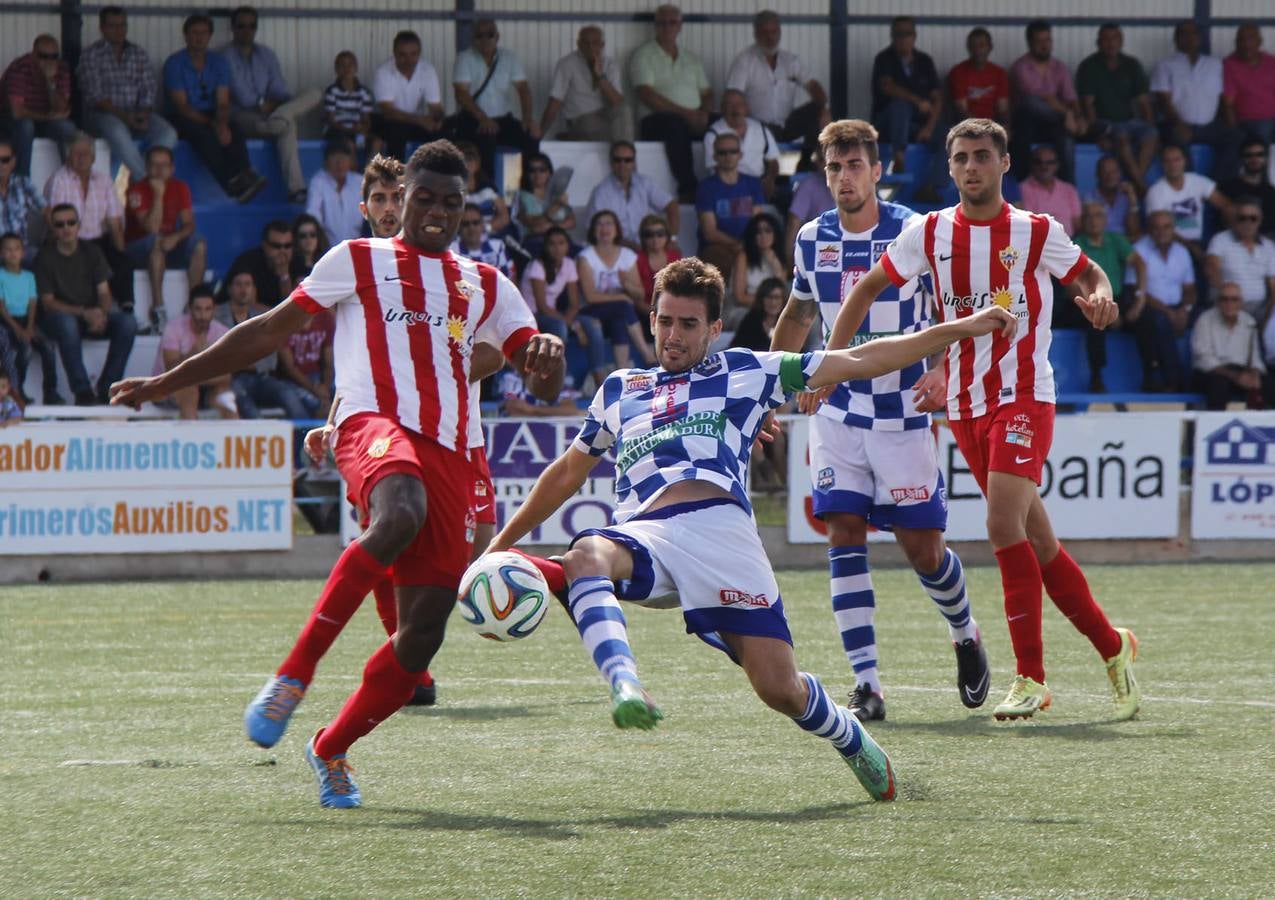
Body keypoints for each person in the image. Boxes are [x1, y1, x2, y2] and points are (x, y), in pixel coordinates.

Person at [110, 140, 566, 809]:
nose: (436, 211)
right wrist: (166, 383)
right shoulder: (357, 260)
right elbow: (265, 331)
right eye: (425, 197)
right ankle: (293, 675)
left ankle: (330, 747)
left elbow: (538, 372)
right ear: (402, 197)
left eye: (450, 201)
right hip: (369, 423)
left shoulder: (486, 284)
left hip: (447, 449)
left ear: (463, 208)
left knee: (421, 639)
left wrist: (547, 356)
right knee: (399, 512)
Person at [488, 257, 1017, 800]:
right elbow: (567, 474)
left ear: (714, 329)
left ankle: (849, 736)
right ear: (651, 318)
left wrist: (960, 328)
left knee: (779, 689)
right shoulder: (619, 389)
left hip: (721, 537)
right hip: (643, 532)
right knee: (584, 556)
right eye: (665, 320)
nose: (673, 336)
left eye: (689, 324)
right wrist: (498, 546)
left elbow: (857, 358)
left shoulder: (746, 371)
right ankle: (625, 684)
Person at [833, 118, 1140, 722]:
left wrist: (1101, 297)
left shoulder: (1035, 231)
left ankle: (1031, 677)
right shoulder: (930, 233)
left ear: (1004, 163)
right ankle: (1114, 647)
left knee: (1001, 525)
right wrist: (830, 364)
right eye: (961, 158)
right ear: (949, 168)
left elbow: (1089, 274)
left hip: (1026, 396)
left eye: (982, 156)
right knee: (1041, 544)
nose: (971, 167)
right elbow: (866, 290)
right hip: (966, 405)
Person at [772, 118, 990, 721]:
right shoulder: (812, 238)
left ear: (878, 170)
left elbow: (958, 308)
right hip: (838, 412)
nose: (845, 178)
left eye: (855, 166)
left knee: (923, 550)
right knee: (842, 531)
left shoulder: (917, 232)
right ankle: (867, 685)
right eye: (835, 168)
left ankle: (965, 633)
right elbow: (797, 316)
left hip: (902, 413)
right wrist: (777, 381)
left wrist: (944, 367)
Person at [34, 203, 137, 405]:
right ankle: (83, 392)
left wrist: (100, 313)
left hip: (90, 315)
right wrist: (84, 313)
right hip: (58, 319)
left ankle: (109, 389)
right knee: (66, 323)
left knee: (128, 323)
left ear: (79, 225)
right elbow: (48, 303)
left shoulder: (92, 251)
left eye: (71, 222)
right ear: (53, 228)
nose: (66, 228)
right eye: (60, 224)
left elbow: (104, 292)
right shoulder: (44, 257)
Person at [223, 5, 321, 204]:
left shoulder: (266, 54)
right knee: (287, 124)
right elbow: (244, 98)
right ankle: (296, 189)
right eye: (241, 26)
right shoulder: (224, 56)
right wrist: (269, 105)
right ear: (233, 28)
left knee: (315, 93)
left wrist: (276, 106)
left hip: (273, 112)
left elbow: (281, 91)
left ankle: (282, 115)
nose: (246, 30)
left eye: (251, 26)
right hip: (243, 117)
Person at [163, 14, 266, 203]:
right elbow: (182, 106)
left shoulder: (218, 62)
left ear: (210, 35)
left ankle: (246, 174)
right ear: (185, 35)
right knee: (203, 135)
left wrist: (222, 123)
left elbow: (223, 102)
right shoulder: (174, 63)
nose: (199, 37)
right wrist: (213, 125)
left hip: (209, 113)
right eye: (194, 33)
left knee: (235, 128)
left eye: (204, 33)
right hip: (180, 116)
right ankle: (230, 184)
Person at [78, 7, 178, 182]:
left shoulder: (138, 53)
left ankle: (145, 172)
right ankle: (146, 181)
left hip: (137, 112)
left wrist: (144, 114)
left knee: (168, 132)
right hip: (103, 115)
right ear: (102, 28)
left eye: (122, 25)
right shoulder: (91, 54)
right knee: (117, 130)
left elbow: (148, 88)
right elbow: (95, 96)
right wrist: (126, 118)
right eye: (113, 26)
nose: (119, 30)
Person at [630, 4, 712, 202]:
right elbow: (646, 94)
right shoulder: (643, 54)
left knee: (723, 123)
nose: (667, 27)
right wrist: (688, 115)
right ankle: (688, 188)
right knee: (674, 125)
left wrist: (703, 114)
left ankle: (723, 185)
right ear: (655, 26)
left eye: (672, 23)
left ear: (680, 26)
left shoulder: (691, 58)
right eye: (662, 23)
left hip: (691, 117)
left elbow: (707, 93)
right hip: (656, 120)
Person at [44, 132, 134, 313]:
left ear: (93, 158)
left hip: (99, 241)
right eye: (76, 154)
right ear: (68, 157)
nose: (81, 158)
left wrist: (119, 253)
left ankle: (126, 309)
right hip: (70, 239)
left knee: (122, 261)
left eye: (85, 154)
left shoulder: (104, 180)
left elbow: (114, 221)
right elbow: (55, 219)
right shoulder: (59, 179)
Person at [725, 10, 829, 160]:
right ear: (756, 34)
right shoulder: (744, 61)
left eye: (774, 32)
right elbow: (733, 97)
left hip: (786, 125)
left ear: (779, 32)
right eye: (765, 32)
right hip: (757, 125)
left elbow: (813, 86)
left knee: (817, 111)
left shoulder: (790, 60)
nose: (770, 37)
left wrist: (824, 108)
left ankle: (807, 163)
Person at [124, 145, 206, 327]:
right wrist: (158, 194)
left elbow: (189, 224)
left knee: (198, 243)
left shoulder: (180, 187)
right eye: (154, 165)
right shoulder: (136, 190)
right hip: (137, 249)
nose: (160, 170)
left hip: (166, 245)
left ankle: (194, 303)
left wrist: (175, 238)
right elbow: (152, 228)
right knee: (156, 242)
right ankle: (158, 308)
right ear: (146, 167)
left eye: (164, 165)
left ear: (172, 168)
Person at [449, 18, 539, 179]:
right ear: (473, 39)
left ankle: (526, 188)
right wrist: (483, 118)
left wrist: (527, 119)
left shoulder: (509, 57)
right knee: (486, 141)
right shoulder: (464, 58)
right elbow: (461, 94)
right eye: (479, 35)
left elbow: (524, 90)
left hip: (503, 119)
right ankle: (487, 187)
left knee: (530, 137)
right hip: (473, 120)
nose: (484, 39)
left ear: (497, 37)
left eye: (489, 35)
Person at [1073, 201, 1148, 392]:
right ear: (1082, 221)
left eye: (1098, 215)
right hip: (1086, 299)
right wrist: (1100, 308)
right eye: (1088, 216)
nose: (1093, 220)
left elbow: (1139, 263)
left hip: (1117, 298)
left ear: (1106, 220)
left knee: (1149, 319)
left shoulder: (1116, 240)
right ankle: (1096, 377)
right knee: (1094, 320)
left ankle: (1153, 373)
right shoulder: (1076, 244)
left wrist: (1139, 300)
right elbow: (1071, 285)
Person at [1075, 23, 1158, 192]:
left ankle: (1137, 182)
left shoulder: (1131, 64)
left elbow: (1143, 102)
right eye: (1106, 39)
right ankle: (1141, 185)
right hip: (1103, 123)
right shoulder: (1089, 66)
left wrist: (1150, 125)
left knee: (1152, 134)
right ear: (1098, 42)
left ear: (1121, 41)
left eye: (1115, 38)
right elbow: (1087, 105)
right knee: (1121, 137)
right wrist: (1097, 134)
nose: (1111, 43)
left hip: (1129, 121)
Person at [213, 269, 305, 419]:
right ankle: (263, 441)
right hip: (231, 380)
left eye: (247, 285)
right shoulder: (216, 315)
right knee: (251, 412)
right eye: (238, 284)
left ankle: (304, 441)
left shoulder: (263, 315)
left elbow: (271, 356)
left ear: (254, 289)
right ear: (229, 289)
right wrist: (247, 360)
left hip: (262, 376)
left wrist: (240, 361)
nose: (243, 289)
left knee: (289, 396)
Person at [577, 210, 656, 370]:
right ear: (593, 230)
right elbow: (590, 297)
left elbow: (639, 294)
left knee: (620, 322)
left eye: (609, 224)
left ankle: (623, 371)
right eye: (599, 224)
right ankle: (647, 354)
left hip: (618, 312)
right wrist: (621, 297)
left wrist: (626, 283)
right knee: (624, 306)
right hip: (591, 311)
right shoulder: (585, 257)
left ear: (617, 229)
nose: (604, 228)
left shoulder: (627, 255)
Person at [1009, 21, 1085, 182]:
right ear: (1030, 43)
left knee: (1067, 139)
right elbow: (1039, 98)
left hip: (1053, 125)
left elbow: (1071, 99)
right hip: (1027, 123)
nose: (1044, 45)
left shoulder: (1059, 67)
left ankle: (1068, 190)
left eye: (1047, 40)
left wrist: (1077, 117)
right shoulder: (1021, 67)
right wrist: (1066, 114)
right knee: (1031, 104)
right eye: (1039, 41)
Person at [1151, 21, 1231, 173]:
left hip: (1209, 126)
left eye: (1193, 33)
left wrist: (1225, 122)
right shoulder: (1164, 65)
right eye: (1183, 34)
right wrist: (1178, 123)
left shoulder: (1214, 64)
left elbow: (1222, 99)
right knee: (1176, 140)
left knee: (1235, 137)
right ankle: (1190, 187)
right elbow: (1163, 100)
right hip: (1177, 124)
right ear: (1176, 39)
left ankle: (1217, 184)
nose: (1189, 38)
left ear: (1199, 38)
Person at [1132, 210, 1195, 392]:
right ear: (1149, 230)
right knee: (1159, 321)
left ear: (1173, 229)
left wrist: (1185, 309)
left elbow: (1190, 289)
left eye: (1166, 227)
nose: (1161, 232)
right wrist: (1169, 312)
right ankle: (1173, 379)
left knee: (1205, 318)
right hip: (1149, 305)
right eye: (1156, 227)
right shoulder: (1139, 250)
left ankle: (1198, 378)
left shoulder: (1182, 252)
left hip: (1178, 306)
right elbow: (1135, 289)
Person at [154, 284, 236, 419]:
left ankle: (231, 438)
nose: (203, 315)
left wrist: (193, 378)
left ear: (214, 310)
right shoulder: (173, 328)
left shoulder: (222, 332)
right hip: (168, 388)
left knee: (226, 397)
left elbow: (226, 376)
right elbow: (170, 371)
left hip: (203, 385)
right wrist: (193, 353)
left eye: (207, 309)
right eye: (198, 309)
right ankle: (194, 439)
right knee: (190, 392)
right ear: (190, 309)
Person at [0, 35, 76, 179]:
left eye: (54, 56)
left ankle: (71, 179)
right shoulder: (20, 67)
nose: (49, 61)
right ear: (34, 54)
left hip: (43, 120)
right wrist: (47, 116)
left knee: (67, 128)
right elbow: (17, 112)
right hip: (10, 120)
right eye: (44, 56)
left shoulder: (61, 68)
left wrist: (50, 82)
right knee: (26, 126)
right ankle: (23, 180)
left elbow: (62, 109)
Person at [1145, 143, 1232, 263]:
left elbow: (1225, 205)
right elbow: (1159, 228)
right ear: (1162, 165)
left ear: (1184, 161)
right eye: (1167, 161)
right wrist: (1192, 248)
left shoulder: (1196, 180)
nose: (1173, 165)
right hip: (1171, 244)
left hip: (1199, 242)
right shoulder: (1156, 191)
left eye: (1176, 160)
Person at [1191, 283, 1273, 409]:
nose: (1229, 303)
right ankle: (1215, 425)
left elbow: (1255, 357)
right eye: (1225, 299)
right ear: (1218, 302)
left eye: (1234, 299)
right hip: (1212, 372)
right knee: (1219, 384)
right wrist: (1235, 376)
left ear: (1241, 303)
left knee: (1268, 384)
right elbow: (1203, 358)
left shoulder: (1248, 321)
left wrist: (1255, 375)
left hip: (1240, 371)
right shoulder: (1205, 320)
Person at [541, 26, 628, 143]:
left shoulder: (611, 65)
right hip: (580, 119)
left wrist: (601, 77)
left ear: (602, 44)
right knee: (603, 128)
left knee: (624, 111)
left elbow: (618, 102)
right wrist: (540, 134)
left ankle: (624, 154)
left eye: (595, 43)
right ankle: (619, 152)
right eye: (586, 43)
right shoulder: (566, 64)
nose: (590, 47)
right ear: (578, 44)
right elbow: (555, 102)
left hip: (606, 117)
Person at [586, 140, 680, 249]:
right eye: (618, 160)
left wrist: (671, 239)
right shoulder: (601, 192)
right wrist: (630, 246)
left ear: (634, 162)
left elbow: (672, 206)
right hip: (617, 248)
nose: (622, 164)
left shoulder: (645, 183)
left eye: (628, 160)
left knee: (676, 254)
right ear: (611, 162)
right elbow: (592, 230)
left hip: (648, 246)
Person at [695, 132, 766, 275]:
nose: (728, 156)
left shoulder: (753, 184)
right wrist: (737, 244)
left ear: (740, 154)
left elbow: (757, 221)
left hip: (748, 244)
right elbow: (710, 233)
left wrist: (748, 245)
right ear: (715, 156)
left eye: (733, 151)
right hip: (717, 248)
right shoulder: (706, 188)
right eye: (722, 153)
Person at [371, 31, 445, 162]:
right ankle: (395, 176)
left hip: (415, 122)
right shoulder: (383, 72)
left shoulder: (427, 70)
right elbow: (388, 112)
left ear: (419, 53)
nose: (408, 60)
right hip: (390, 122)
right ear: (394, 53)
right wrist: (421, 121)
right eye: (402, 55)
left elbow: (435, 107)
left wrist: (437, 120)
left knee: (445, 132)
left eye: (413, 54)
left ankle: (435, 176)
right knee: (395, 131)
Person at [0, 231, 55, 403]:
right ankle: (18, 389)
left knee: (48, 347)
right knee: (25, 349)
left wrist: (30, 327)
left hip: (27, 321)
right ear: (1, 254)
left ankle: (50, 392)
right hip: (7, 322)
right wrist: (18, 329)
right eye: (7, 250)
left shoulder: (29, 277)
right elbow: (1, 307)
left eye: (16, 249)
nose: (13, 253)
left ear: (23, 252)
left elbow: (32, 304)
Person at [704, 90, 780, 202]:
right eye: (730, 105)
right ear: (722, 108)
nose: (735, 109)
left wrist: (770, 179)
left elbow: (773, 160)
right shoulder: (713, 134)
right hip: (728, 188)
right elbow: (714, 168)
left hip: (760, 184)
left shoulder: (760, 128)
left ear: (746, 108)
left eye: (739, 104)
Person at [1205, 197, 1275, 318]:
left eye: (1253, 218)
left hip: (1260, 309)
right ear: (1235, 220)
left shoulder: (1268, 246)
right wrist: (1229, 302)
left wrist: (1268, 317)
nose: (1247, 223)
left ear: (1260, 221)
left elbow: (1273, 286)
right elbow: (1212, 271)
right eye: (1242, 218)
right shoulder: (1220, 240)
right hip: (1228, 306)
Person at [728, 211, 786, 330]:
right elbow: (739, 297)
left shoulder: (779, 258)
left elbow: (782, 293)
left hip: (772, 309)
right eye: (758, 232)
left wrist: (774, 264)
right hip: (745, 308)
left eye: (768, 231)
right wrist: (767, 302)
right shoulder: (743, 256)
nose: (763, 235)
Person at [221, 221, 298, 308]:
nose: (282, 251)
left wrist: (284, 275)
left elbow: (292, 305)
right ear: (265, 245)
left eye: (287, 246)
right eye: (276, 246)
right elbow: (249, 306)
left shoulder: (297, 262)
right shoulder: (248, 262)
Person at [1222, 23, 1275, 147]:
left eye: (1250, 38)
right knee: (1263, 129)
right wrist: (1234, 132)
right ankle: (1262, 164)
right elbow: (1228, 104)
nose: (1246, 44)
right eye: (1241, 40)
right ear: (1236, 43)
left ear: (1260, 41)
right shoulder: (1230, 64)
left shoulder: (1272, 62)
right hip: (1249, 121)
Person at [278, 308, 335, 419]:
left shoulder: (326, 317)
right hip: (291, 380)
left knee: (345, 392)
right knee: (306, 404)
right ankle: (303, 435)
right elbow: (289, 367)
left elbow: (329, 362)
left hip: (320, 378)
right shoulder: (284, 320)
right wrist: (315, 389)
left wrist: (325, 388)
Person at [948, 27, 1011, 126]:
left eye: (981, 45)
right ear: (968, 48)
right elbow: (962, 111)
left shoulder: (999, 73)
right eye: (973, 46)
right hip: (967, 126)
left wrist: (1004, 127)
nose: (977, 50)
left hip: (993, 126)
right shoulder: (958, 72)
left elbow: (1003, 109)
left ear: (990, 47)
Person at [306, 138, 364, 245]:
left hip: (356, 248)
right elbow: (312, 215)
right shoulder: (318, 182)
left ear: (350, 161)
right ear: (326, 161)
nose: (339, 163)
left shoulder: (359, 181)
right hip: (327, 250)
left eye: (343, 158)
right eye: (334, 158)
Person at [515, 152, 575, 254]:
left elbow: (572, 222)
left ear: (549, 173)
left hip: (562, 241)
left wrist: (550, 227)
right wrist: (556, 206)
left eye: (542, 170)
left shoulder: (557, 193)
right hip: (535, 243)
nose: (537, 174)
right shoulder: (521, 196)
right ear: (526, 173)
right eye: (532, 170)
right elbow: (533, 225)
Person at [322, 51, 379, 158]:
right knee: (349, 144)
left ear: (356, 68)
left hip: (356, 130)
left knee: (377, 141)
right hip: (336, 131)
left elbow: (366, 119)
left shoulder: (364, 92)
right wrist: (350, 130)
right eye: (342, 65)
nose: (346, 68)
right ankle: (352, 171)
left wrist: (362, 128)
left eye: (350, 65)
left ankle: (371, 172)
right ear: (336, 70)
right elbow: (331, 121)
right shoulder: (332, 91)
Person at [1019, 144, 1082, 236]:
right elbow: (1026, 226)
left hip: (1068, 244)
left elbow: (1078, 225)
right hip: (1038, 244)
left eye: (1049, 162)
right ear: (1031, 164)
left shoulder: (1069, 190)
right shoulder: (1021, 189)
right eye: (1038, 162)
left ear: (1057, 165)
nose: (1044, 166)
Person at [1218, 139, 1275, 239]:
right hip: (1236, 240)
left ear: (1266, 158)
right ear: (1241, 158)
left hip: (1268, 242)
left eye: (1259, 154)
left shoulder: (1271, 191)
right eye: (1249, 155)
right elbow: (1225, 222)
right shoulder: (1227, 188)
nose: (1254, 159)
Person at [634, 212, 681, 331]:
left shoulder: (676, 257)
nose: (655, 239)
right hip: (646, 312)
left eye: (660, 234)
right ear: (642, 238)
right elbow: (637, 301)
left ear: (667, 236)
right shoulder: (636, 259)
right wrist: (659, 314)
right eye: (649, 235)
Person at [0, 137, 45, 258]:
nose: (1, 165)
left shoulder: (24, 184)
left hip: (22, 251)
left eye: (5, 160)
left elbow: (46, 210)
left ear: (13, 162)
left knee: (45, 257)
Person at [785, 147, 835, 255]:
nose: (825, 164)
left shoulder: (856, 184)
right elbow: (793, 223)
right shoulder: (808, 185)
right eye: (821, 159)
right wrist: (790, 262)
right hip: (817, 249)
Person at [457, 140, 510, 235]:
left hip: (489, 234)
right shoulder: (449, 189)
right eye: (463, 160)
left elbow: (504, 216)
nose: (467, 164)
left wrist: (485, 228)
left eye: (470, 159)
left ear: (477, 163)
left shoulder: (489, 188)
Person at [1084, 155, 1141, 239]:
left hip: (1125, 242)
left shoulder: (1126, 195)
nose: (1110, 176)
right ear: (1097, 174)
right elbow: (1090, 231)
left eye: (1114, 172)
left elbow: (1133, 230)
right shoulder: (1090, 198)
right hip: (1102, 244)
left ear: (1120, 173)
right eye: (1105, 172)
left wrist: (1132, 199)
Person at [453, 202, 512, 277]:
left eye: (475, 223)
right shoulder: (452, 250)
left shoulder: (497, 246)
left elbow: (510, 278)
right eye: (466, 224)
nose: (471, 228)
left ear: (482, 225)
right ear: (459, 228)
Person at [730, 275, 784, 352]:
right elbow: (737, 347)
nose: (773, 302)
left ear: (783, 300)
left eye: (777, 297)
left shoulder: (789, 321)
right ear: (761, 299)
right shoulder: (751, 319)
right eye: (769, 297)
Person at [290, 213, 329, 281]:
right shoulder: (290, 267)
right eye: (303, 236)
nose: (308, 239)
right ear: (296, 239)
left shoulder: (327, 264)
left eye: (312, 234)